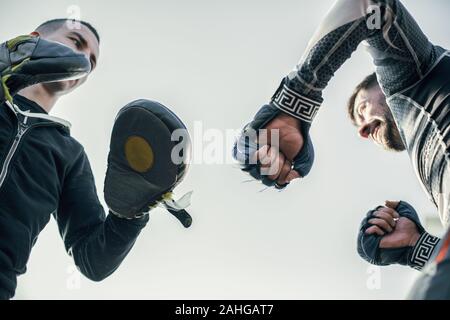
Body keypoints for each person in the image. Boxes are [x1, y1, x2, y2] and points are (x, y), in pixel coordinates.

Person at [233, 0, 449, 299]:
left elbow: (370, 6)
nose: (363, 130)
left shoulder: (415, 79)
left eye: (363, 108)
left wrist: (295, 96)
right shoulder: (433, 159)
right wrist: (416, 246)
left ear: (385, 81)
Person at [0, 19, 155, 300]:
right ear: (32, 39)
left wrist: (132, 210)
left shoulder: (69, 155)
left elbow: (92, 260)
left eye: (92, 62)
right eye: (76, 41)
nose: (84, 59)